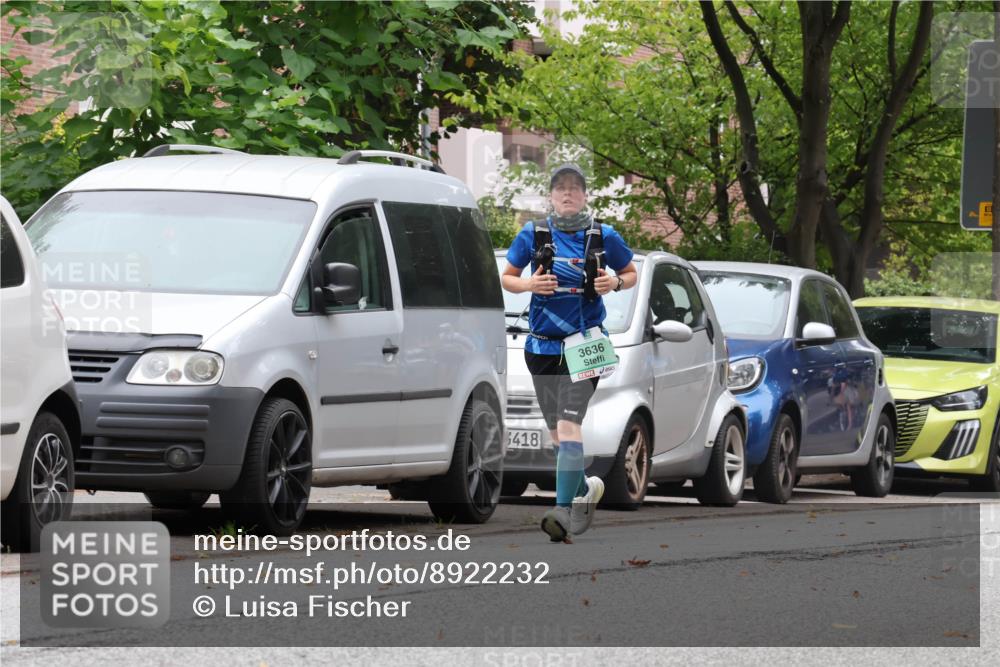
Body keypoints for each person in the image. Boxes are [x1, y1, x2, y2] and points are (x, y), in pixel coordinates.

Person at [501, 163, 638, 542]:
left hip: (587, 345)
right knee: (558, 438)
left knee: (568, 426)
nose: (567, 194)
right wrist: (529, 282)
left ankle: (562, 511)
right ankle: (585, 490)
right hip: (541, 346)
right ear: (550, 195)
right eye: (560, 188)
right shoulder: (533, 233)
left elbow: (631, 273)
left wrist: (614, 281)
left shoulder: (604, 235)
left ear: (584, 196)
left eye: (574, 188)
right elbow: (508, 277)